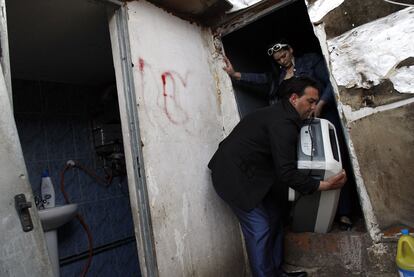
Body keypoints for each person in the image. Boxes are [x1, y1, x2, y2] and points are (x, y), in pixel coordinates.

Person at [208, 76, 347, 277]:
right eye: (310, 101)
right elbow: (286, 172)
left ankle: (276, 272)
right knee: (260, 227)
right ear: (293, 98)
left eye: (316, 102)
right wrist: (325, 185)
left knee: (275, 218)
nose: (314, 107)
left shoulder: (284, 115)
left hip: (254, 173)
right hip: (232, 176)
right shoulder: (283, 124)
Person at [223, 40, 354, 229]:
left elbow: (331, 81)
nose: (282, 61)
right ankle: (308, 212)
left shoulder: (310, 61)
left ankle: (344, 211)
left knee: (333, 162)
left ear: (290, 50)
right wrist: (235, 75)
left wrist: (321, 104)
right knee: (303, 164)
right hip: (297, 125)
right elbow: (262, 79)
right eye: (278, 60)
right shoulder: (279, 75)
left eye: (284, 56)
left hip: (322, 118)